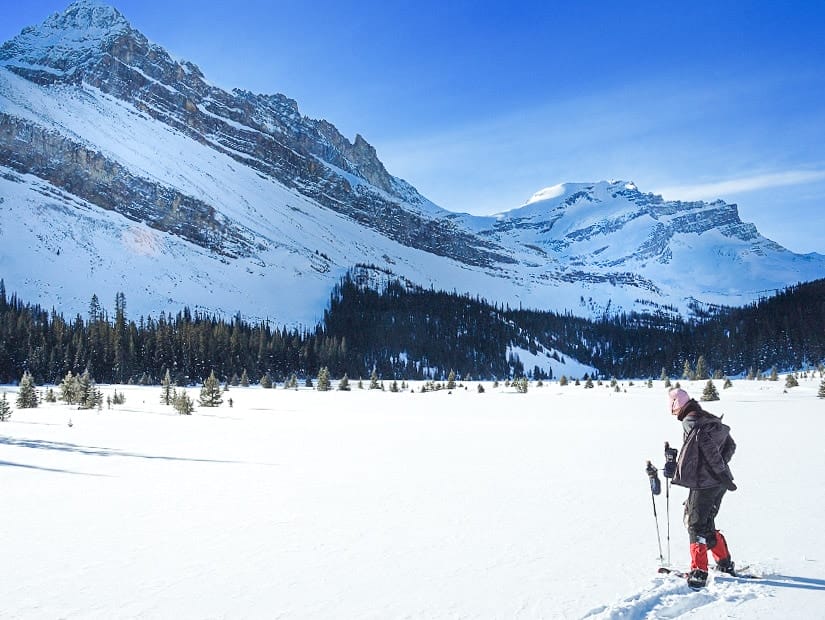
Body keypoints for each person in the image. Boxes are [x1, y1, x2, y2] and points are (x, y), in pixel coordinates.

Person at [668, 387, 737, 588]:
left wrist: (716, 471)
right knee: (706, 521)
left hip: (707, 483)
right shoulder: (706, 418)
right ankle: (724, 563)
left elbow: (705, 448)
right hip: (718, 483)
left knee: (695, 523)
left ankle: (699, 572)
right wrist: (721, 471)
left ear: (676, 405)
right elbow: (730, 445)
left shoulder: (691, 421)